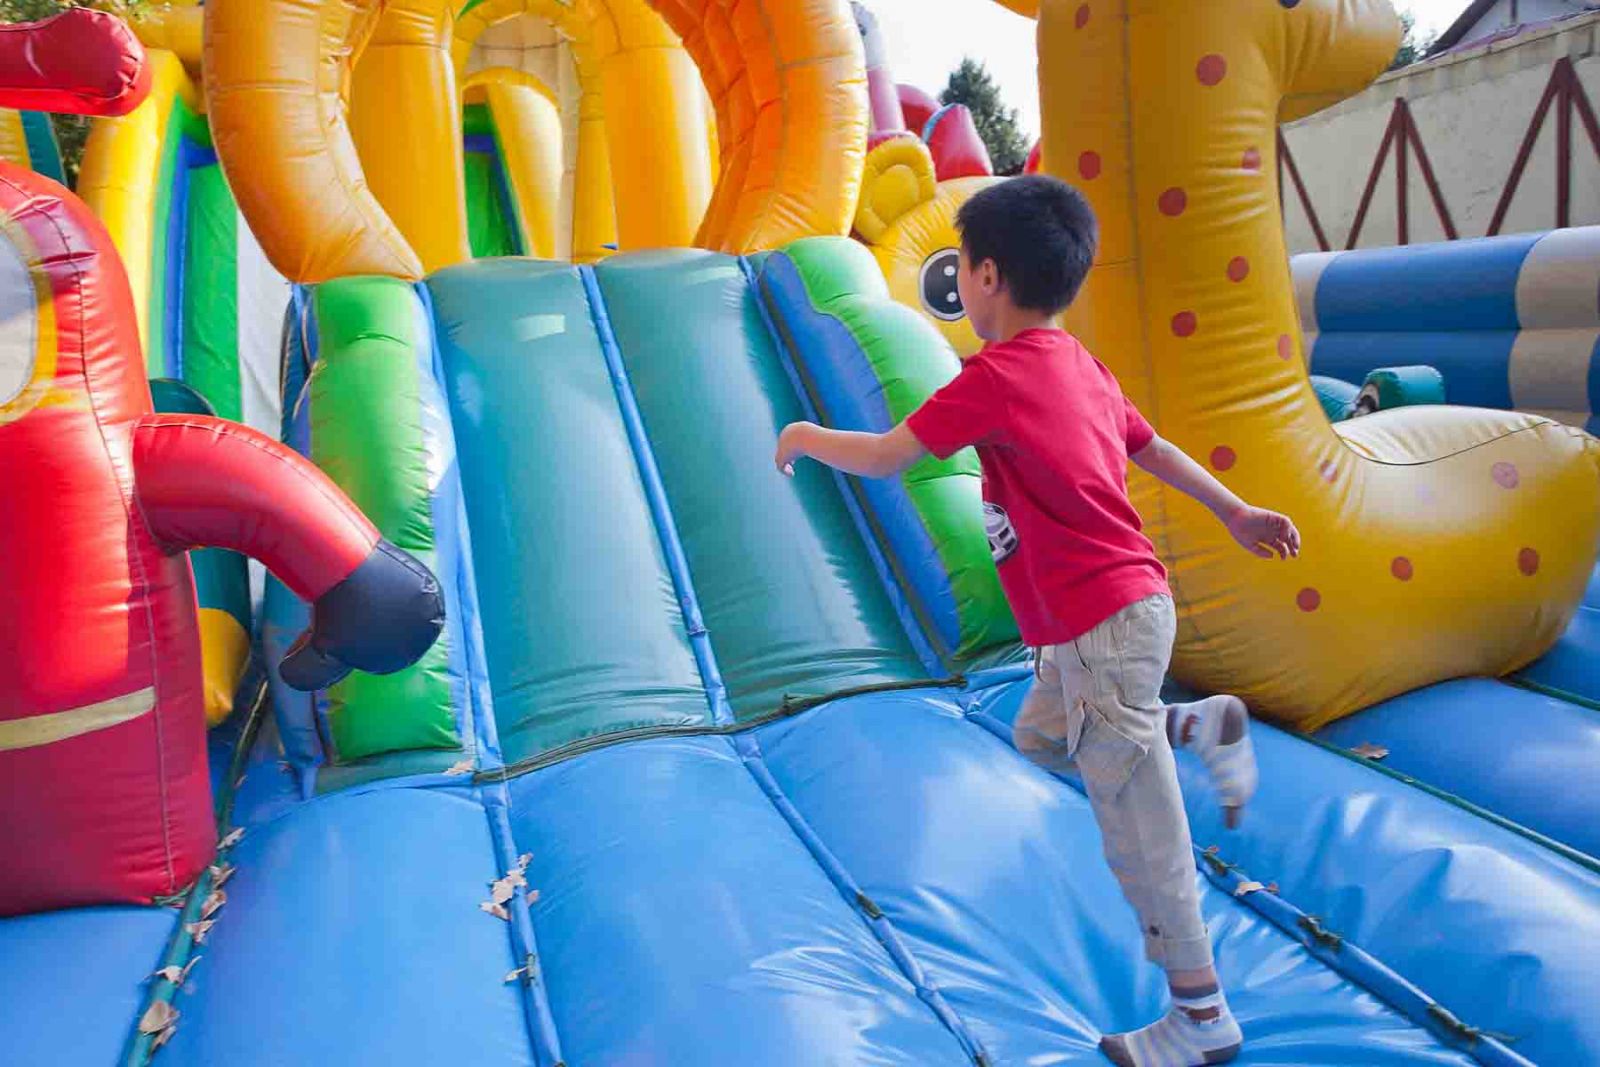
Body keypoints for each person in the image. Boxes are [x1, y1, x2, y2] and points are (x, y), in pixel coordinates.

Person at [773, 175, 1300, 1067]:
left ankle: (1201, 1016)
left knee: (1139, 829)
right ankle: (1183, 723)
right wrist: (1235, 512)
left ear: (984, 275)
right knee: (1043, 739)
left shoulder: (997, 377)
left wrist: (801, 436)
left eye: (966, 275)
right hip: (1105, 626)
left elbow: (891, 455)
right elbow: (1155, 446)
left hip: (1101, 626)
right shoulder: (1080, 364)